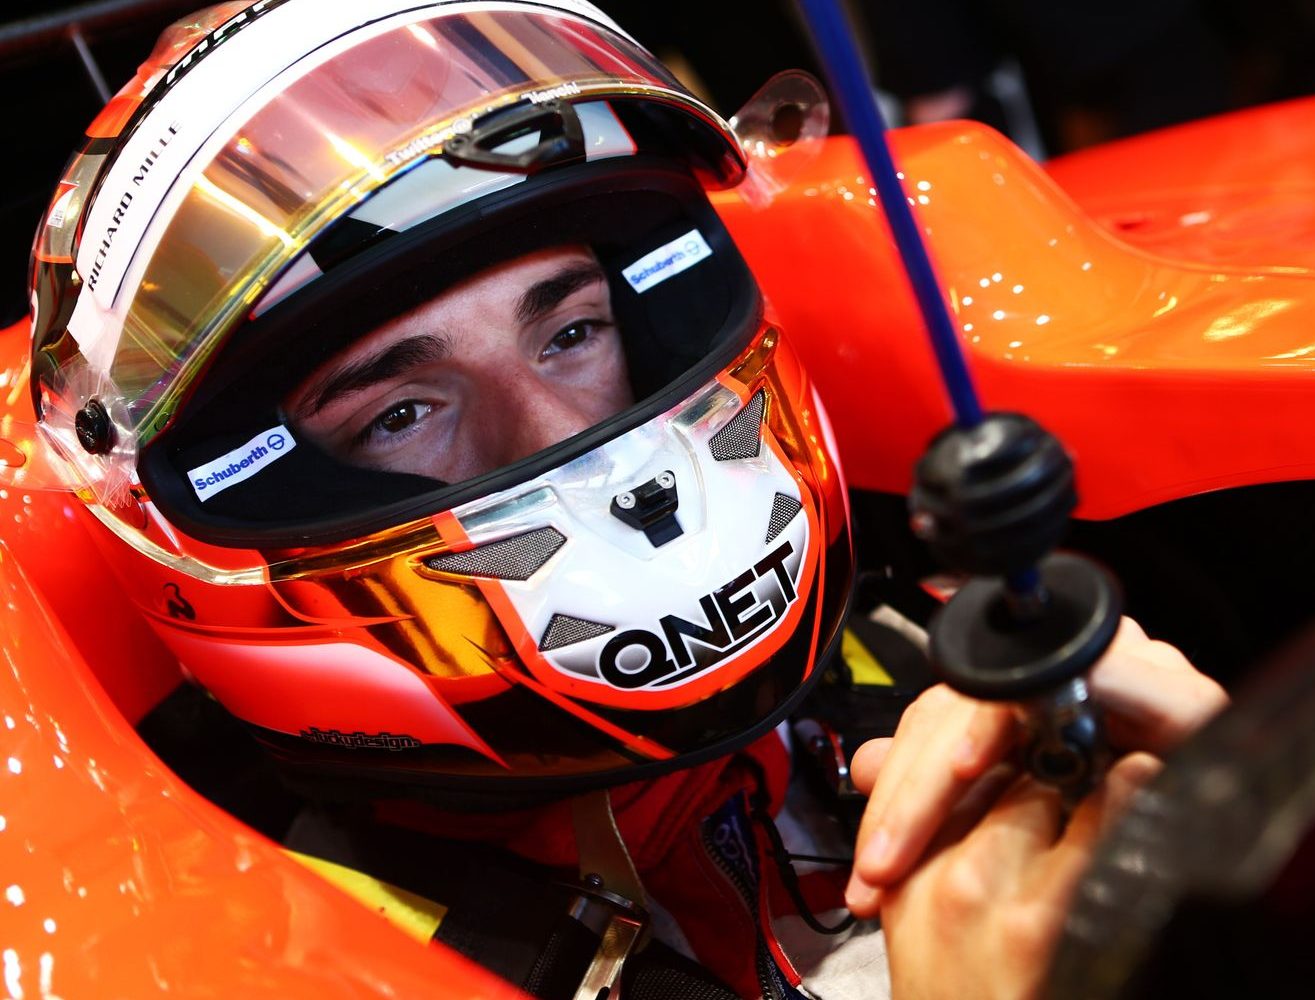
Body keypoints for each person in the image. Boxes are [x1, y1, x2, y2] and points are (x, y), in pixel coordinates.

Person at [23, 1, 1224, 996]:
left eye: (574, 329)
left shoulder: (927, 660)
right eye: (400, 412)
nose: (561, 440)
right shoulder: (274, 958)